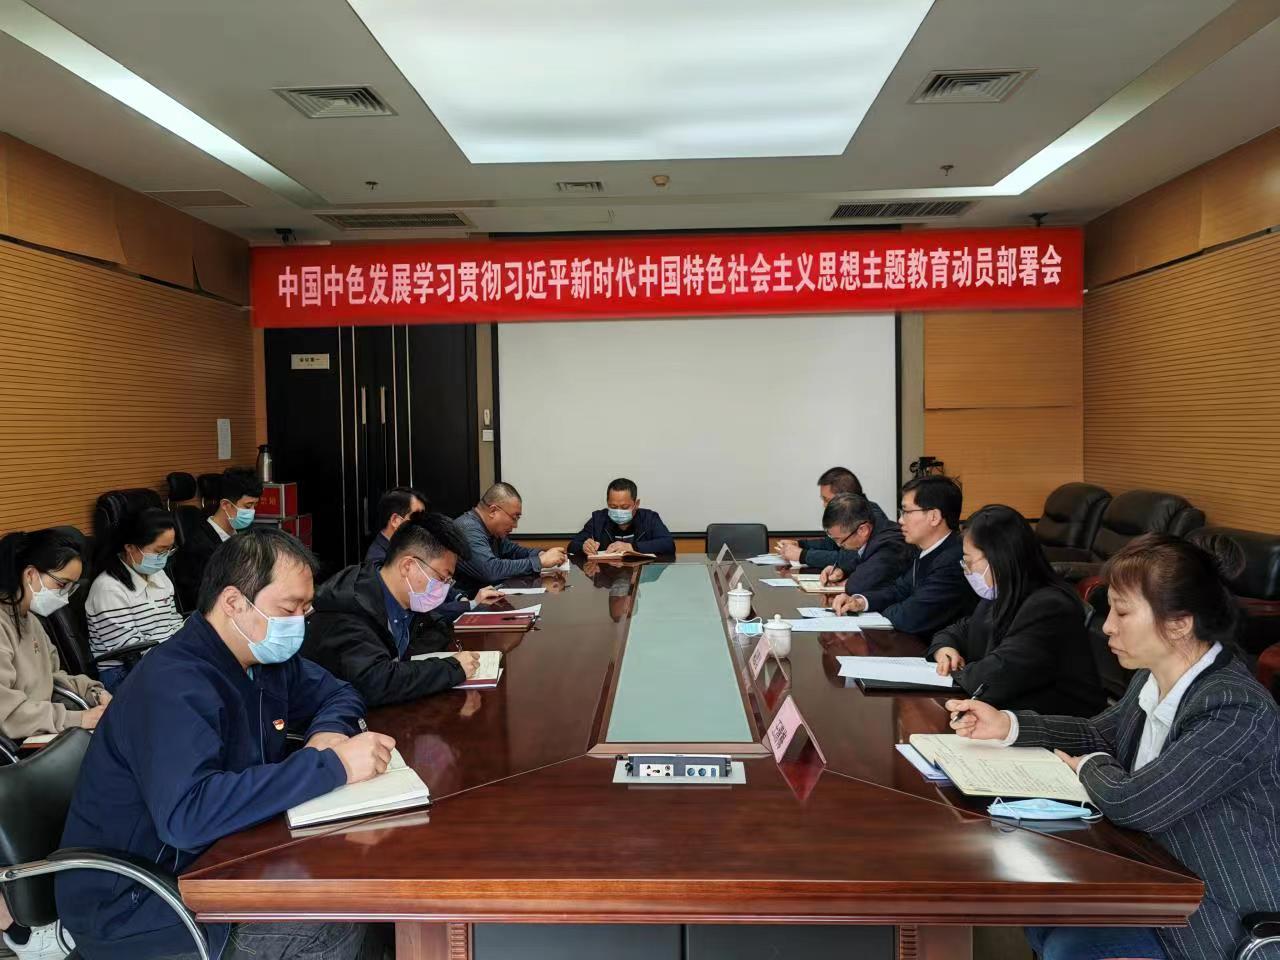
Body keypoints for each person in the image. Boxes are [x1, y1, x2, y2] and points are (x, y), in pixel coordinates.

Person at [57, 528, 393, 960]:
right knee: (331, 919)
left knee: (362, 884)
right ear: (234, 602)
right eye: (289, 608)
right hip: (141, 900)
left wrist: (325, 734)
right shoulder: (173, 684)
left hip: (225, 853)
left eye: (306, 608)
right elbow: (186, 817)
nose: (300, 622)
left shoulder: (262, 658)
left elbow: (340, 694)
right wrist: (330, 766)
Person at [947, 533, 1280, 960]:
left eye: (1122, 611)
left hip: (1211, 916)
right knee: (1039, 907)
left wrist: (1089, 766)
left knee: (1069, 941)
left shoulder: (1235, 707)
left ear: (1179, 623)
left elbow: (1135, 801)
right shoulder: (1153, 676)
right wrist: (1007, 725)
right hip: (1147, 873)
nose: (1107, 626)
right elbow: (1101, 733)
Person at [926, 504, 1104, 716]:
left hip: (1058, 727)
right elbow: (960, 630)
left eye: (969, 561)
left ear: (998, 557)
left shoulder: (1050, 608)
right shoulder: (1002, 593)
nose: (967, 569)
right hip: (1011, 716)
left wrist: (956, 671)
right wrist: (944, 648)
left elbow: (993, 678)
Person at [304, 513, 481, 708]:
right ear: (408, 566)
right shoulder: (350, 608)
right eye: (442, 578)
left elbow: (436, 629)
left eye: (448, 581)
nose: (444, 588)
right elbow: (375, 683)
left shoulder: (406, 598)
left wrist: (407, 670)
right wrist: (451, 668)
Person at [831, 475, 974, 638]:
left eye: (906, 512)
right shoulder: (925, 550)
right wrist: (860, 602)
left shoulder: (953, 560)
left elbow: (910, 617)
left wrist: (884, 609)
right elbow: (898, 590)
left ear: (934, 517)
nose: (900, 520)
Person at [0, 528, 109, 741]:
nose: (65, 597)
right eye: (61, 584)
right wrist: (76, 719)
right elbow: (6, 713)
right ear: (30, 574)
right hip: (15, 744)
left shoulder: (30, 620)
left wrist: (94, 693)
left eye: (71, 588)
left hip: (37, 732)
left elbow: (52, 676)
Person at [85, 507, 185, 692]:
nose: (164, 557)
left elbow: (173, 622)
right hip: (126, 671)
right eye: (159, 551)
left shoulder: (159, 575)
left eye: (169, 550)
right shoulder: (108, 588)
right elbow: (131, 649)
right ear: (130, 547)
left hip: (165, 660)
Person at [172, 467, 262, 612]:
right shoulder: (199, 545)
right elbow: (200, 597)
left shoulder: (247, 534)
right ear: (226, 505)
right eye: (247, 506)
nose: (252, 512)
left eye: (254, 506)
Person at [453, 482, 566, 593]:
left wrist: (540, 554)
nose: (515, 525)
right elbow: (491, 571)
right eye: (514, 518)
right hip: (469, 601)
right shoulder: (467, 528)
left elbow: (513, 551)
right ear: (493, 511)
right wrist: (539, 562)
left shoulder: (492, 531)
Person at [809, 493, 911, 598]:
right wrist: (842, 571)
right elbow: (859, 558)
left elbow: (857, 586)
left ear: (863, 530)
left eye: (840, 540)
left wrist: (848, 581)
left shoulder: (890, 544)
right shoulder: (872, 528)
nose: (839, 545)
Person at [568, 478, 675, 557]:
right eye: (613, 506)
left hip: (640, 574)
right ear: (607, 503)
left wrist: (632, 547)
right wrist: (583, 547)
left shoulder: (649, 518)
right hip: (607, 575)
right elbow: (572, 546)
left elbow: (668, 544)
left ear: (636, 504)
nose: (618, 511)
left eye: (624, 507)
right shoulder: (598, 519)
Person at [365, 486, 429, 563]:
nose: (422, 523)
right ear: (395, 520)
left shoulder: (404, 547)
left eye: (423, 517)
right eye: (416, 517)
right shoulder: (378, 561)